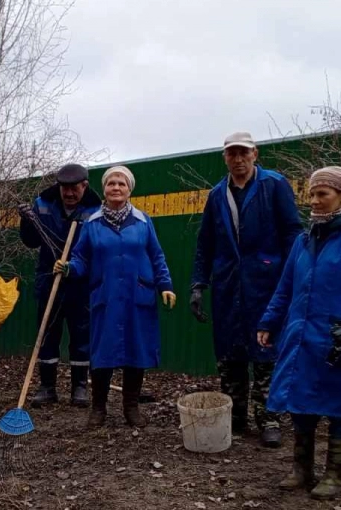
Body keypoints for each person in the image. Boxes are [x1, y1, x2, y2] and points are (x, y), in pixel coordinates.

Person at [256, 167, 341, 500]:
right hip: (303, 334)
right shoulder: (305, 240)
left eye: (323, 194)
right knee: (300, 401)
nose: (314, 201)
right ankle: (302, 469)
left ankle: (334, 474)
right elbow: (286, 286)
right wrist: (269, 321)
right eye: (312, 194)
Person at [191, 132, 303, 447]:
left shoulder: (274, 185)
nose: (238, 160)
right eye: (232, 154)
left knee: (266, 351)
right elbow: (205, 243)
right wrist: (199, 283)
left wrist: (293, 276)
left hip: (266, 283)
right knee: (230, 352)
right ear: (225, 157)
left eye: (243, 153)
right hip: (228, 285)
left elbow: (293, 232)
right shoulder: (217, 195)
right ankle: (235, 415)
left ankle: (269, 418)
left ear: (255, 153)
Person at [55, 165, 175, 428]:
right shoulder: (92, 223)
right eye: (111, 184)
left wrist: (165, 285)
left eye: (121, 183)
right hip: (106, 297)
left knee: (136, 350)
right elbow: (81, 258)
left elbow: (157, 256)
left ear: (129, 189)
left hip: (137, 296)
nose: (116, 188)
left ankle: (131, 408)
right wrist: (69, 268)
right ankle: (98, 409)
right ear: (104, 189)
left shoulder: (143, 221)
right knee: (102, 352)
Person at [18, 162, 102, 407]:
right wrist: (26, 221)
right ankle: (47, 387)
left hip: (80, 282)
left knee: (81, 334)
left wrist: (76, 268)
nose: (69, 193)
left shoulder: (94, 209)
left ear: (84, 186)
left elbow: (96, 248)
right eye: (64, 188)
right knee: (47, 333)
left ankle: (79, 387)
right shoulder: (42, 205)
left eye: (74, 188)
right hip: (48, 278)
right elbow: (31, 242)